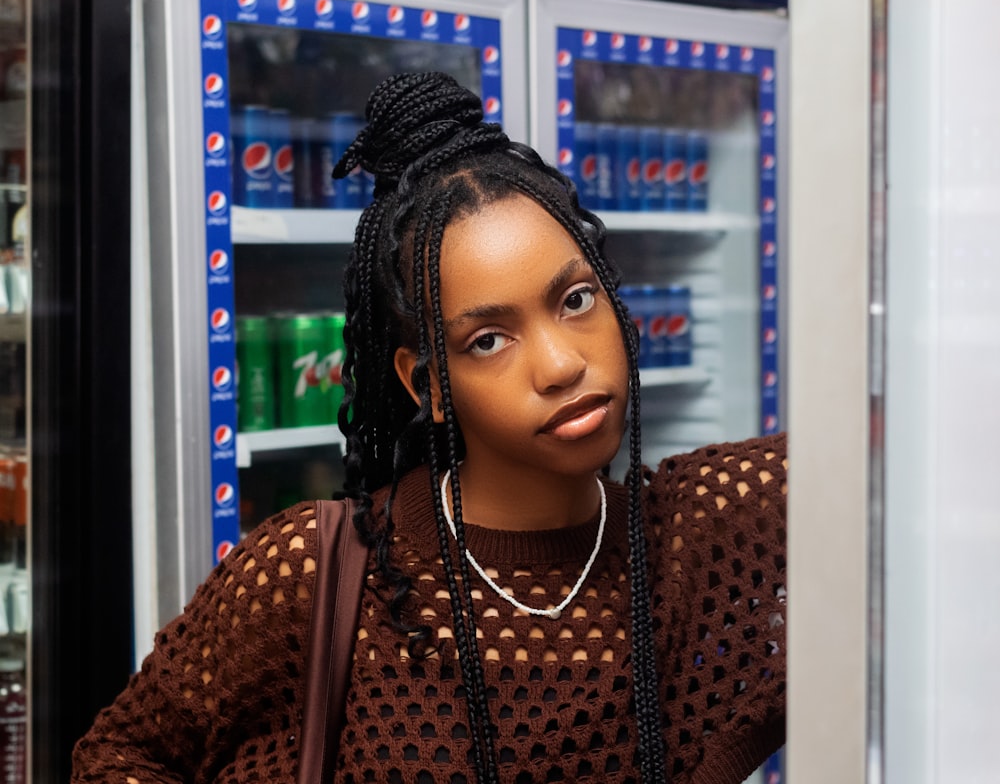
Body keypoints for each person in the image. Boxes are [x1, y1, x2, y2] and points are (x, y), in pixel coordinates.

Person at [72, 72, 786, 784]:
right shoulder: (316, 571)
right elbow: (118, 758)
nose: (563, 364)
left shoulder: (698, 539)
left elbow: (886, 476)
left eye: (575, 299)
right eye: (488, 340)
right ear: (429, 385)